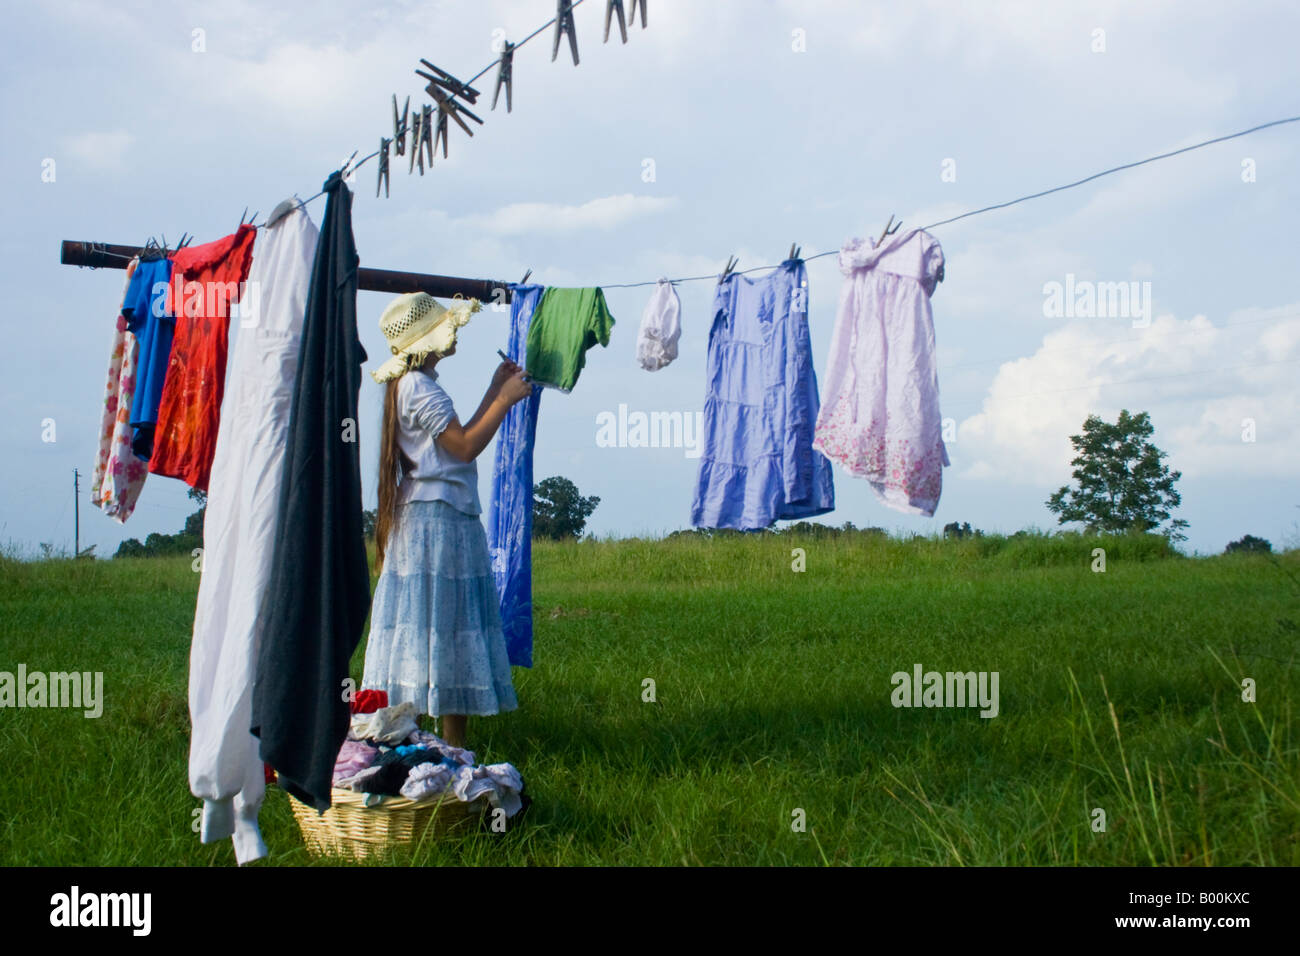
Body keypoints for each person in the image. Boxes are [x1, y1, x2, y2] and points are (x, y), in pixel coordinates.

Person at [362, 292, 533, 748]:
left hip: (434, 516)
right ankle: (443, 747)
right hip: (438, 522)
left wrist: (495, 392)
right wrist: (506, 402)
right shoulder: (419, 386)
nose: (453, 333)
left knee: (437, 627)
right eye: (446, 328)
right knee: (445, 627)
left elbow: (454, 438)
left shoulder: (414, 384)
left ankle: (437, 748)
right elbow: (463, 448)